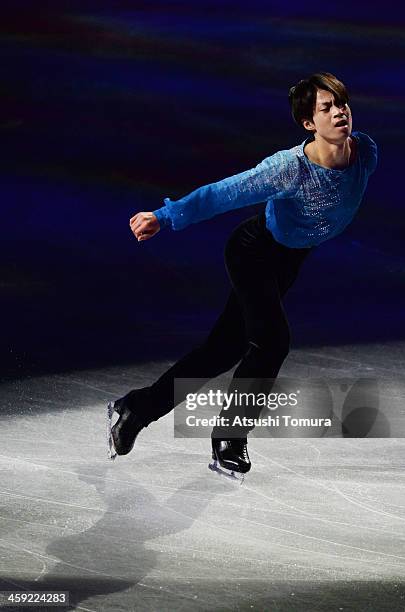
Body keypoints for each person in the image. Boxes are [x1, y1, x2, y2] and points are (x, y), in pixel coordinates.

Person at [106, 72, 378, 480]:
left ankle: (136, 409)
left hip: (288, 261)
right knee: (272, 343)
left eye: (342, 104)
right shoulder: (289, 168)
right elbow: (223, 193)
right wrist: (163, 217)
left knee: (221, 350)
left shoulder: (366, 154)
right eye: (327, 107)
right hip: (254, 252)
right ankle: (229, 437)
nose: (340, 112)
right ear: (308, 123)